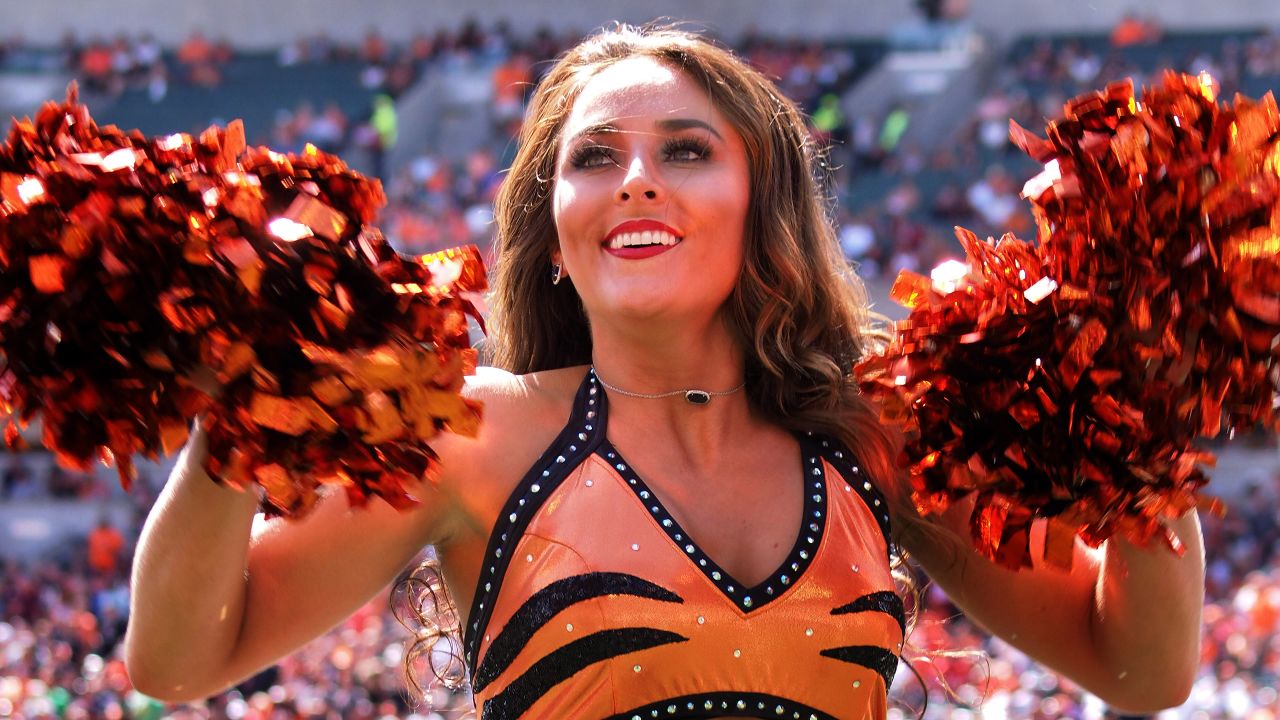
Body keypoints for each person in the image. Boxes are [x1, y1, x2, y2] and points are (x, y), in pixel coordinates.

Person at [124, 25, 1205, 719]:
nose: (635, 180)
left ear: (761, 202)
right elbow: (176, 662)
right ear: (553, 231)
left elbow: (1139, 670)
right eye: (593, 157)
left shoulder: (879, 433)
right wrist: (237, 416)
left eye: (686, 149)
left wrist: (1141, 426)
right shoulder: (470, 437)